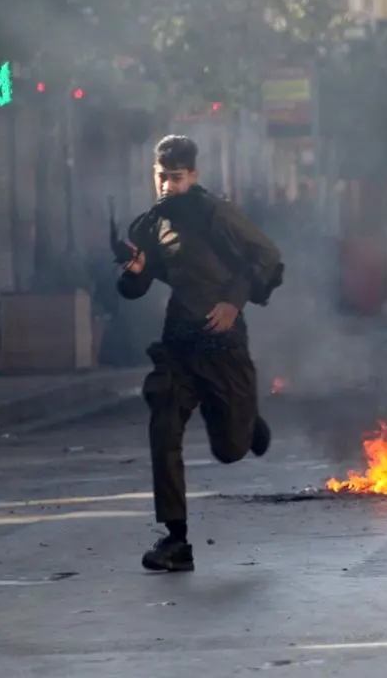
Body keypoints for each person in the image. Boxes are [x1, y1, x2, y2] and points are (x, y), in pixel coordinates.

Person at [118, 135, 284, 573]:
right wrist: (134, 270)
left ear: (192, 175)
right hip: (179, 344)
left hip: (222, 341)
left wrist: (233, 303)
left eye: (176, 178)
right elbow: (133, 288)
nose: (167, 186)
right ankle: (176, 539)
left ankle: (245, 423)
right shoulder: (151, 224)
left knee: (230, 449)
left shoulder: (217, 214)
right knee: (163, 425)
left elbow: (266, 257)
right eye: (161, 177)